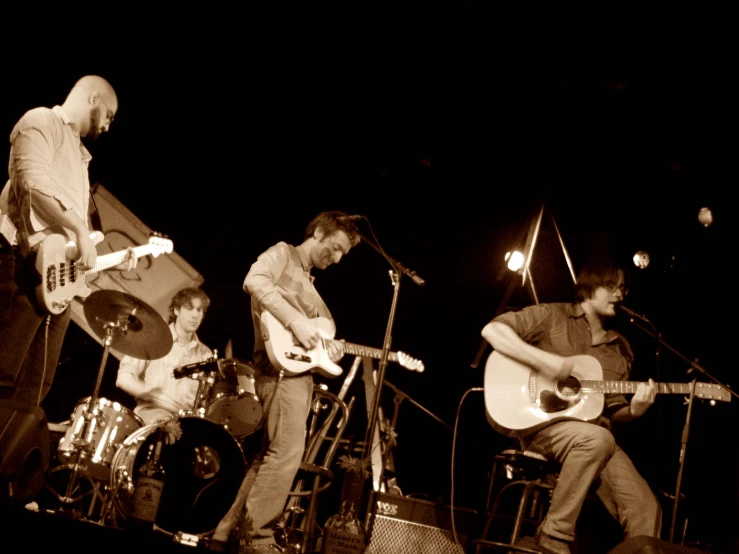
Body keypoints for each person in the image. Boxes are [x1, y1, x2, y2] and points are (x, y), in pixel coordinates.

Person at [480, 256, 662, 554]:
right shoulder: (552, 316)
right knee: (599, 439)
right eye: (610, 286)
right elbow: (493, 331)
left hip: (593, 439)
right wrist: (545, 361)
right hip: (540, 426)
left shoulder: (621, 350)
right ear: (589, 287)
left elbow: (612, 408)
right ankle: (554, 535)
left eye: (623, 288)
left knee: (646, 508)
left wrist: (635, 411)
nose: (619, 294)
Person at [210, 210, 361, 554]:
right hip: (279, 374)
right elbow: (254, 280)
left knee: (269, 458)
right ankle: (256, 539)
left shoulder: (309, 283)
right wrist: (297, 321)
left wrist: (329, 350)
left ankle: (225, 532)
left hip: (297, 373)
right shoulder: (283, 253)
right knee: (286, 454)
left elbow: (317, 339)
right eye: (335, 247)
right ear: (319, 232)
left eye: (342, 254)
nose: (336, 259)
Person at [0, 75, 125, 407]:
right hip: (19, 264)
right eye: (109, 115)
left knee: (33, 390)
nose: (109, 127)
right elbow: (30, 182)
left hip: (52, 280)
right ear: (93, 98)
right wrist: (80, 231)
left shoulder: (80, 160)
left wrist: (83, 248)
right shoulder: (42, 119)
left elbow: (69, 235)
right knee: (4, 373)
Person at [116, 286, 214, 424]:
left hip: (185, 422)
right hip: (151, 415)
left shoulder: (206, 354)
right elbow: (123, 378)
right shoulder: (153, 338)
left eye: (199, 310)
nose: (195, 315)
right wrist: (146, 392)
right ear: (176, 310)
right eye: (189, 308)